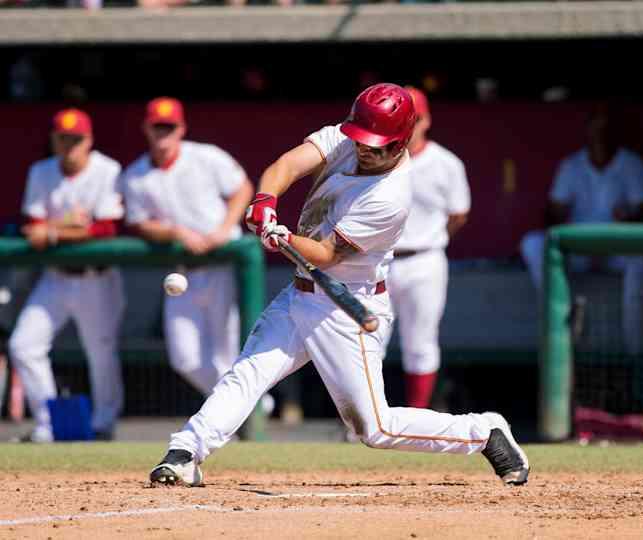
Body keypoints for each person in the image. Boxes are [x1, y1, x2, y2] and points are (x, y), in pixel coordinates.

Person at [148, 83, 529, 487]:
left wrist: (283, 238)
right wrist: (265, 201)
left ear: (400, 142)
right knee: (247, 372)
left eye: (376, 145)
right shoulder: (345, 139)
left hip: (344, 306)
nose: (364, 149)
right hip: (300, 294)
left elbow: (327, 254)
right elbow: (285, 166)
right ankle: (185, 452)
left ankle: (484, 431)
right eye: (361, 139)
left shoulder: (390, 197)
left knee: (375, 428)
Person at [121, 97, 254, 398]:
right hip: (181, 269)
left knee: (228, 354)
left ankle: (237, 412)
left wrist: (224, 229)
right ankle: (247, 404)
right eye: (157, 126)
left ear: (180, 128)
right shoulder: (135, 175)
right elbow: (139, 223)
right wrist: (176, 232)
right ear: (147, 128)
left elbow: (242, 188)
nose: (163, 133)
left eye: (168, 127)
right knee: (185, 359)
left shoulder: (205, 156)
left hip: (222, 264)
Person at [9, 108, 125, 442]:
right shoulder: (42, 171)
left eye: (76, 139)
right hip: (56, 277)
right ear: (54, 140)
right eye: (63, 138)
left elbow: (106, 227)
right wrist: (70, 224)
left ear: (88, 140)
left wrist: (53, 231)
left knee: (100, 352)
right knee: (23, 345)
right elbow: (32, 226)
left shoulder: (107, 169)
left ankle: (103, 424)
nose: (70, 145)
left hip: (96, 277)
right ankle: (49, 424)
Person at [519, 102, 643, 354]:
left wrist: (628, 219)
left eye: (606, 129)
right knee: (532, 243)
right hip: (579, 248)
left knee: (640, 260)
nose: (600, 135)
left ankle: (636, 349)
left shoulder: (631, 164)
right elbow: (553, 213)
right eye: (595, 128)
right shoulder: (571, 165)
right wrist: (563, 224)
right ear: (587, 131)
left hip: (617, 248)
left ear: (616, 132)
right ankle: (565, 315)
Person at [383, 86, 471, 409]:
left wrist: (432, 237)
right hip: (380, 260)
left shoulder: (446, 163)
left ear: (427, 120)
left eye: (415, 119)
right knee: (367, 342)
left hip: (425, 259)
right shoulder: (376, 158)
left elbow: (458, 214)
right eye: (402, 120)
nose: (410, 126)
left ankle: (416, 417)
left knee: (420, 344)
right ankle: (364, 420)